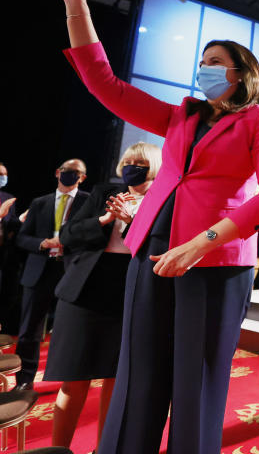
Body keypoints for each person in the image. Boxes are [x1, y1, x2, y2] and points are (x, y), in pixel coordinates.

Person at [60, 0, 259, 454]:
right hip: (150, 255)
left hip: (213, 262)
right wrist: (76, 9)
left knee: (197, 383)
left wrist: (202, 243)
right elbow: (106, 85)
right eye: (200, 62)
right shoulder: (180, 115)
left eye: (214, 63)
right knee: (137, 376)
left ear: (241, 73)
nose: (203, 70)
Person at [46, 141, 161, 449]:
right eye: (127, 161)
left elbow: (162, 247)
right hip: (84, 292)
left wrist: (132, 219)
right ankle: (59, 449)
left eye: (139, 162)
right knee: (74, 378)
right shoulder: (102, 194)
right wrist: (105, 219)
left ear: (155, 167)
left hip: (130, 293)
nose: (131, 167)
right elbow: (68, 235)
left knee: (115, 380)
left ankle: (104, 448)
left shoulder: (165, 202)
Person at [14, 158, 89, 390]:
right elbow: (22, 237)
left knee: (74, 328)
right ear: (57, 173)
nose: (70, 175)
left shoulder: (88, 202)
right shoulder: (40, 203)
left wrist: (71, 243)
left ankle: (72, 381)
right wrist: (43, 243)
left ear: (82, 177)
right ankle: (25, 381)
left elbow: (94, 236)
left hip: (71, 270)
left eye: (76, 172)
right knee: (29, 330)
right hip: (40, 270)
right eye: (66, 171)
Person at [0, 162, 22, 332]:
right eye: (0, 174)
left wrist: (20, 220)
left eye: (4, 175)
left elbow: (10, 224)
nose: (3, 178)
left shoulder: (8, 197)